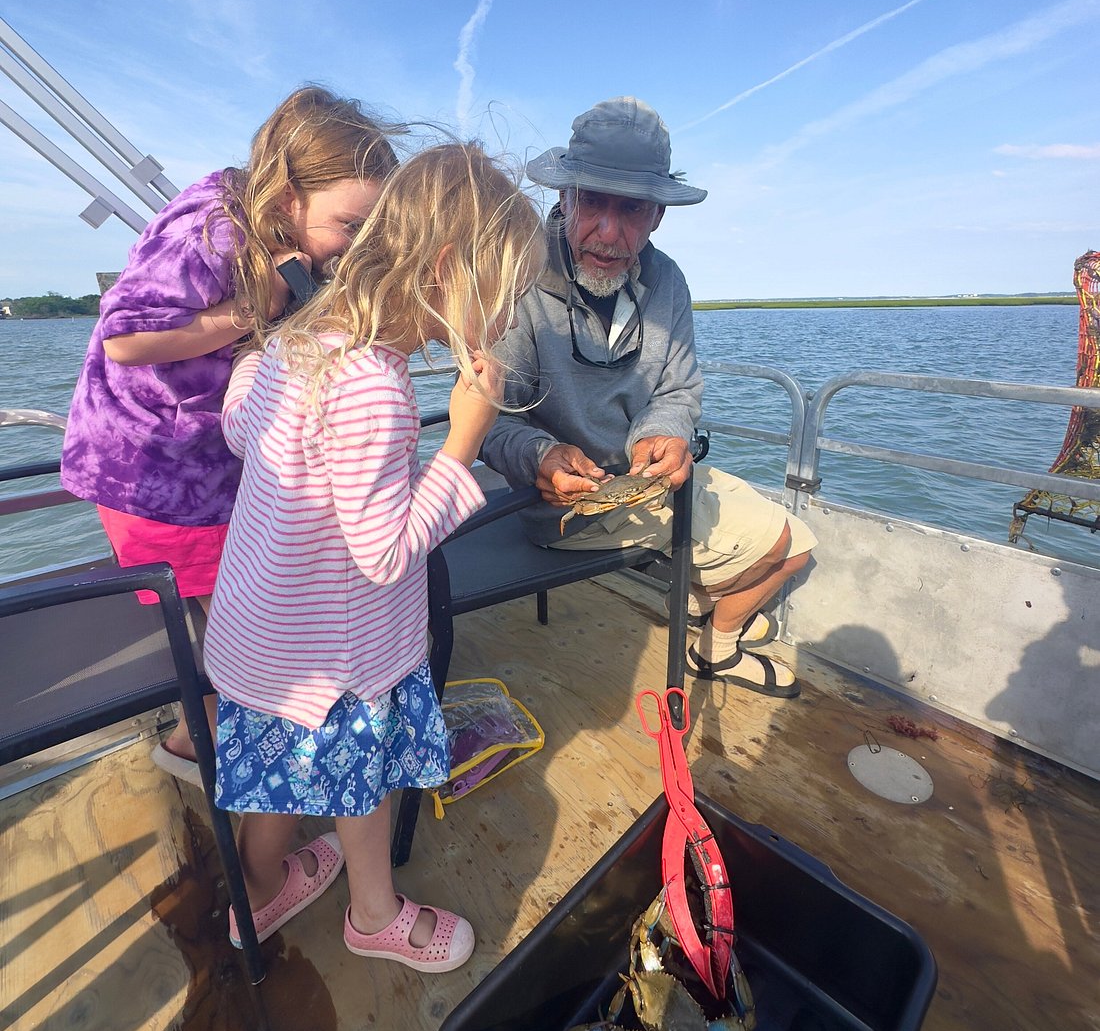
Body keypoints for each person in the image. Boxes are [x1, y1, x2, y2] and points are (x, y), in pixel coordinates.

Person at [201, 142, 544, 967]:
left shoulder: (297, 341)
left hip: (263, 636)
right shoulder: (378, 387)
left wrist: (251, 369)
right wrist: (461, 444)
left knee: (274, 778)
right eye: (501, 297)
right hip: (335, 660)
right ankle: (372, 911)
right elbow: (387, 554)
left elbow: (238, 418)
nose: (503, 321)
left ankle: (259, 889)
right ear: (448, 266)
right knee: (359, 778)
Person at [60, 87, 401, 782]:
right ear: (287, 199)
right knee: (249, 623)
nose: (355, 244)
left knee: (235, 614)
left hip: (195, 462)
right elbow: (125, 339)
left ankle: (205, 739)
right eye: (348, 224)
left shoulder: (270, 227)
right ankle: (228, 756)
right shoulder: (212, 228)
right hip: (151, 469)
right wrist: (248, 312)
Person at [480, 97, 816, 697]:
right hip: (556, 508)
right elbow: (489, 419)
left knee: (782, 540)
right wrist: (540, 457)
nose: (609, 234)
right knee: (793, 546)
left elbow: (679, 391)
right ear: (564, 198)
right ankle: (715, 646)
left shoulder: (668, 282)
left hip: (641, 487)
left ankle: (711, 620)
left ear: (658, 215)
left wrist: (667, 435)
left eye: (632, 210)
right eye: (591, 204)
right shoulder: (517, 276)